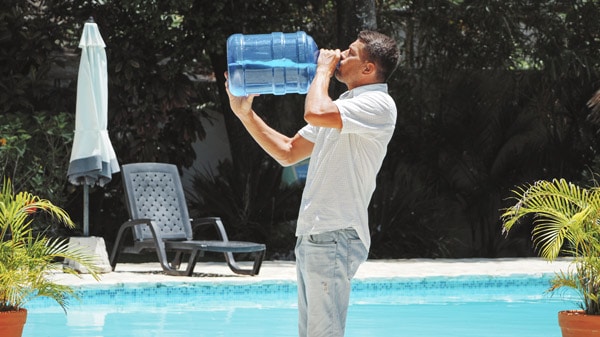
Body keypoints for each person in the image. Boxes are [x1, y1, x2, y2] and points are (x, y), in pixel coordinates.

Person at [225, 30, 399, 337]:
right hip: (316, 235)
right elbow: (288, 151)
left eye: (351, 53)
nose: (340, 55)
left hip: (336, 233)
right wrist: (245, 114)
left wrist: (321, 71)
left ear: (368, 69)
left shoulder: (378, 104)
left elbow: (315, 111)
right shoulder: (345, 104)